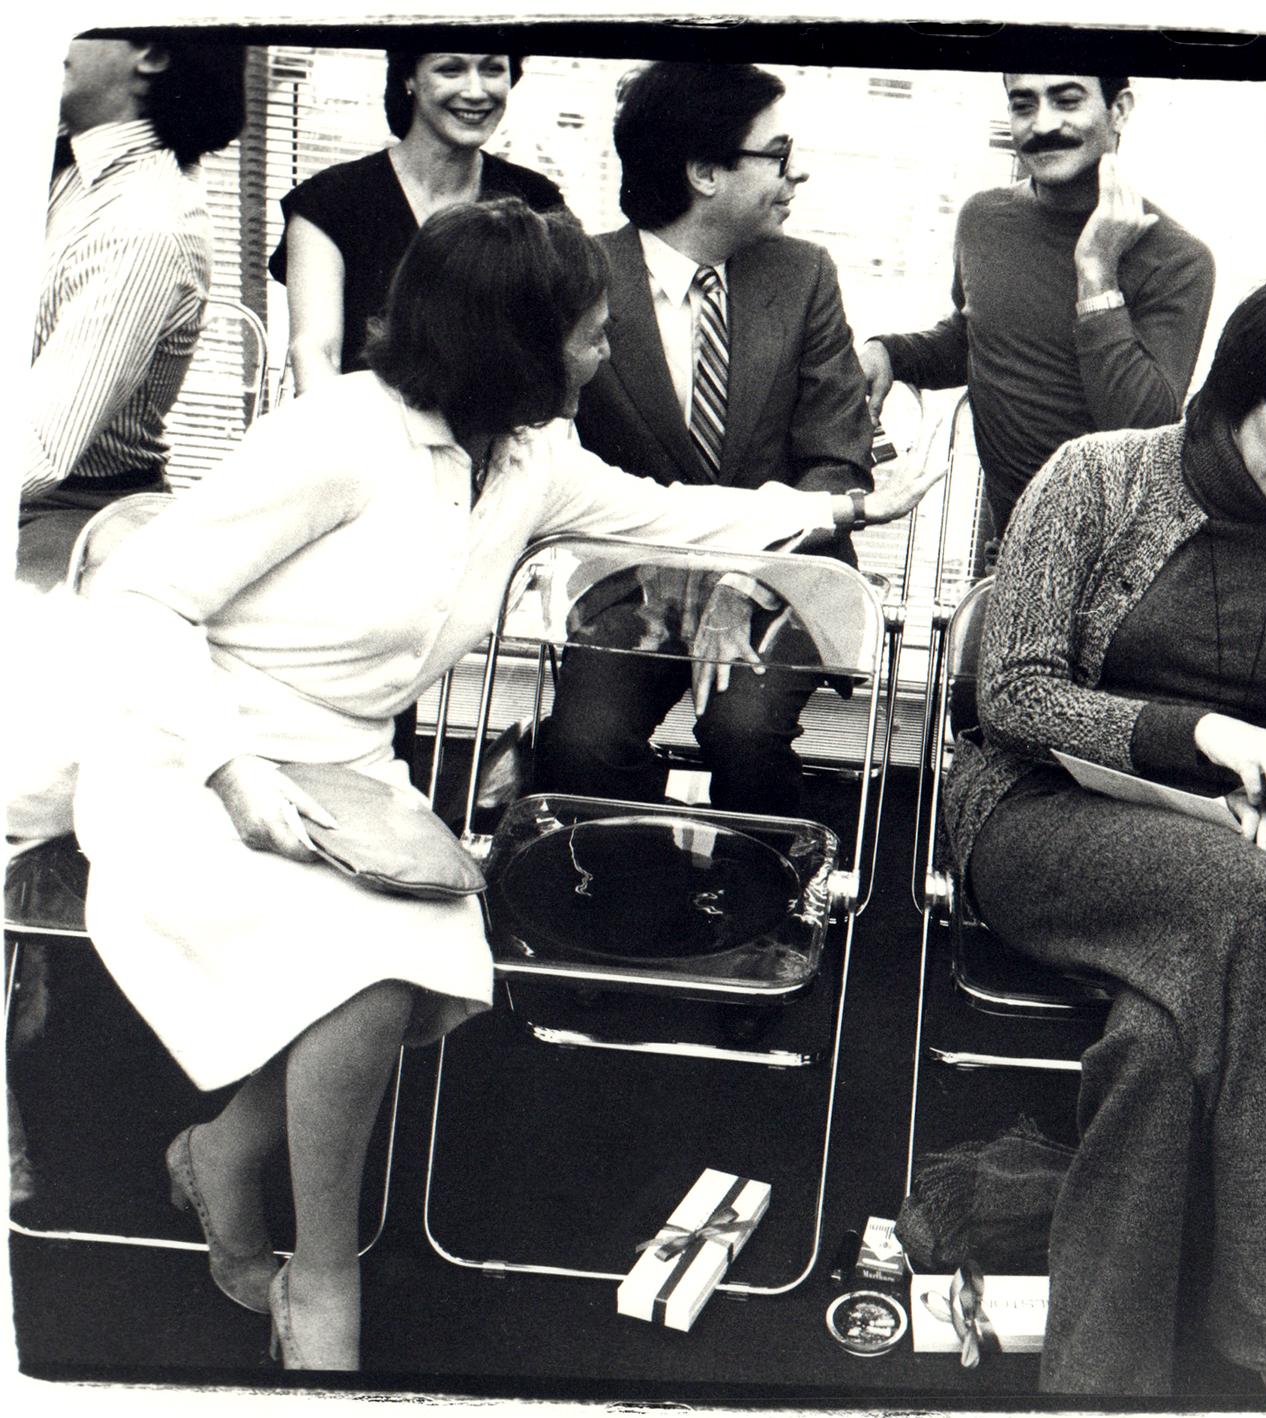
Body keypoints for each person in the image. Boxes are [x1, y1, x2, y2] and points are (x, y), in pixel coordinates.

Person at [68, 198, 939, 1372]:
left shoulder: (528, 456)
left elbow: (675, 515)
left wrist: (839, 506)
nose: (604, 351)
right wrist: (229, 770)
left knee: (427, 973)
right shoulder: (334, 438)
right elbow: (138, 599)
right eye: (585, 333)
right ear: (509, 345)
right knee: (371, 980)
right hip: (190, 758)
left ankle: (228, 1151)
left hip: (350, 770)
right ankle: (323, 1272)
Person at [947, 270, 1266, 1399]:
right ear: (1239, 386)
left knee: (1160, 1038)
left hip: (1214, 857)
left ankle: (1099, 1377)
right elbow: (1012, 693)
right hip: (1032, 815)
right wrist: (1196, 731)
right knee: (1251, 911)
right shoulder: (1098, 477)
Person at [533, 61, 874, 815]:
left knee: (743, 731)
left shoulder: (804, 274)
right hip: (632, 575)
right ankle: (630, 898)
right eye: (777, 155)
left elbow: (837, 463)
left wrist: (741, 578)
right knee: (583, 742)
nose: (797, 174)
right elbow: (548, 457)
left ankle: (766, 907)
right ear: (704, 172)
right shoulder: (584, 274)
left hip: (784, 573)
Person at [859, 73, 1215, 540]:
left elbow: (1140, 430)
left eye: (1067, 101)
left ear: (1120, 109)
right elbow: (980, 339)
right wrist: (891, 353)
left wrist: (1097, 271)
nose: (1043, 123)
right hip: (1006, 536)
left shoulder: (1178, 257)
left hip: (1118, 550)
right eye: (1023, 104)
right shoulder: (982, 219)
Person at [17, 35, 246, 589]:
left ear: (152, 52)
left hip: (62, 513)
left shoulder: (146, 225)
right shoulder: (53, 155)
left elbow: (41, 449)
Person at [269, 48, 564, 396]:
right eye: (451, 69)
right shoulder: (330, 203)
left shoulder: (538, 200)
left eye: (493, 69)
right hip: (364, 436)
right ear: (408, 77)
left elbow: (557, 351)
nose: (475, 90)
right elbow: (317, 353)